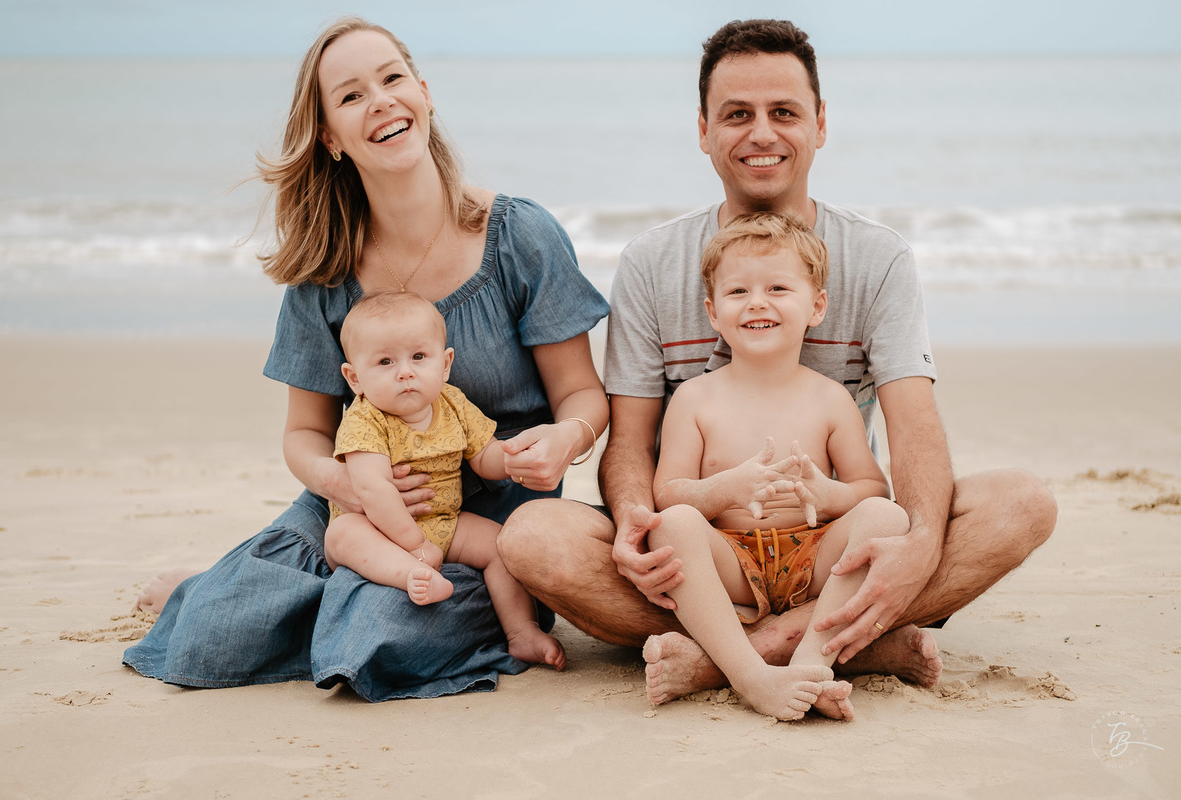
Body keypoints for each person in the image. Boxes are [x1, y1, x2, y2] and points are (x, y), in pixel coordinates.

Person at [497, 18, 1057, 704]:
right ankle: (858, 646)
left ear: (820, 124)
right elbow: (631, 440)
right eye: (737, 114)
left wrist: (916, 549)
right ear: (703, 130)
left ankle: (735, 660)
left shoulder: (877, 258)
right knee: (532, 536)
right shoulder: (652, 263)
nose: (761, 133)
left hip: (830, 555)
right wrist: (638, 522)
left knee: (1022, 504)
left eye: (783, 112)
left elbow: (913, 428)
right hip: (709, 556)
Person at [123, 17, 608, 701]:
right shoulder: (324, 271)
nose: (379, 100)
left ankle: (288, 598)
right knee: (211, 637)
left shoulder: (519, 236)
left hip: (489, 527)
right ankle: (230, 594)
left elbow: (583, 395)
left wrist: (568, 438)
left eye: (391, 79)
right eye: (350, 96)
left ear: (424, 93)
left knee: (378, 640)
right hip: (359, 509)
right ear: (330, 137)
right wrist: (346, 487)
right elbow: (304, 435)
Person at [649, 210, 912, 721]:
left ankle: (812, 666)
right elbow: (669, 492)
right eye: (737, 292)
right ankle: (750, 674)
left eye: (777, 288)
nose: (757, 302)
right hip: (730, 561)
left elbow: (871, 486)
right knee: (675, 524)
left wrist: (829, 495)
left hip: (813, 561)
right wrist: (726, 488)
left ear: (816, 307)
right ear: (712, 311)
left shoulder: (831, 399)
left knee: (887, 518)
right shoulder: (695, 398)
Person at [326, 291, 566, 669]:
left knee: (502, 547)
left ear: (446, 364)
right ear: (355, 378)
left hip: (445, 522)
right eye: (385, 361)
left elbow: (484, 456)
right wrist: (415, 545)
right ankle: (409, 574)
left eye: (419, 357)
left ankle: (522, 632)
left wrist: (514, 457)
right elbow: (372, 489)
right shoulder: (365, 419)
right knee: (342, 536)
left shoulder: (452, 403)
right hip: (380, 531)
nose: (405, 371)